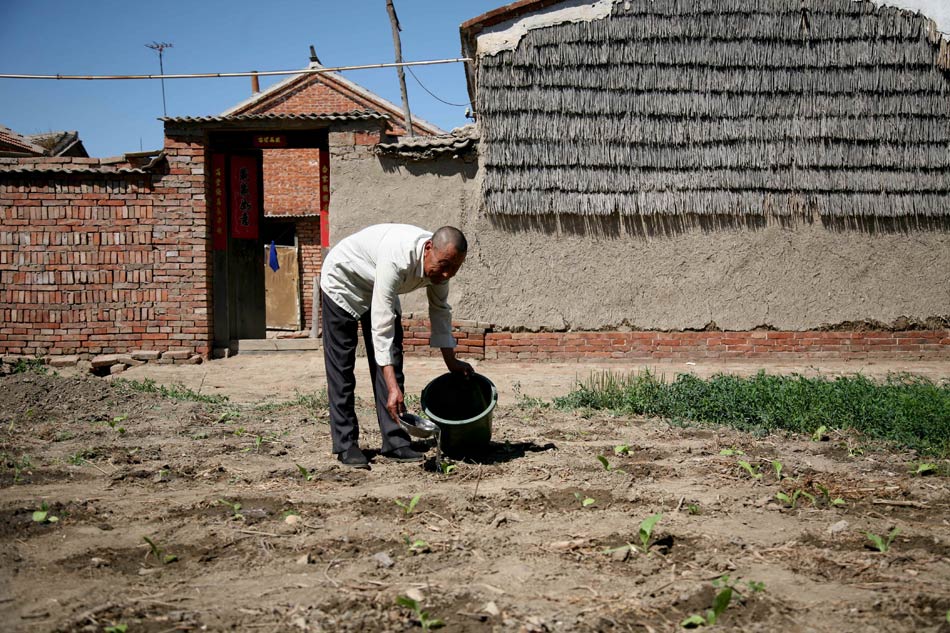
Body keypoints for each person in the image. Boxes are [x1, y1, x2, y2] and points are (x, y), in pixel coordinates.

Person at [320, 224, 472, 469]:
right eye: (444, 265)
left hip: (376, 286)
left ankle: (395, 441)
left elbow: (440, 312)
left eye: (455, 268)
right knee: (342, 369)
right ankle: (346, 444)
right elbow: (381, 327)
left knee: (393, 366)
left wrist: (451, 362)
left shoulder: (441, 267)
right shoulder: (397, 256)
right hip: (343, 281)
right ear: (429, 248)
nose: (446, 275)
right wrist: (392, 387)